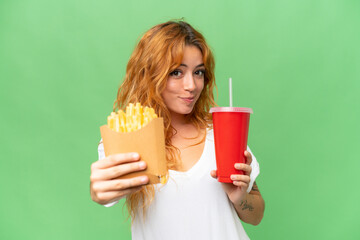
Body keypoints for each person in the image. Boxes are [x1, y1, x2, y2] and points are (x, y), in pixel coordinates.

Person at [90, 20, 265, 240]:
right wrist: (98, 191)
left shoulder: (221, 133)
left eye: (198, 72)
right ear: (151, 75)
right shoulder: (127, 137)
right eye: (176, 73)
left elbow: (256, 214)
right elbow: (104, 191)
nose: (192, 85)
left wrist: (240, 198)